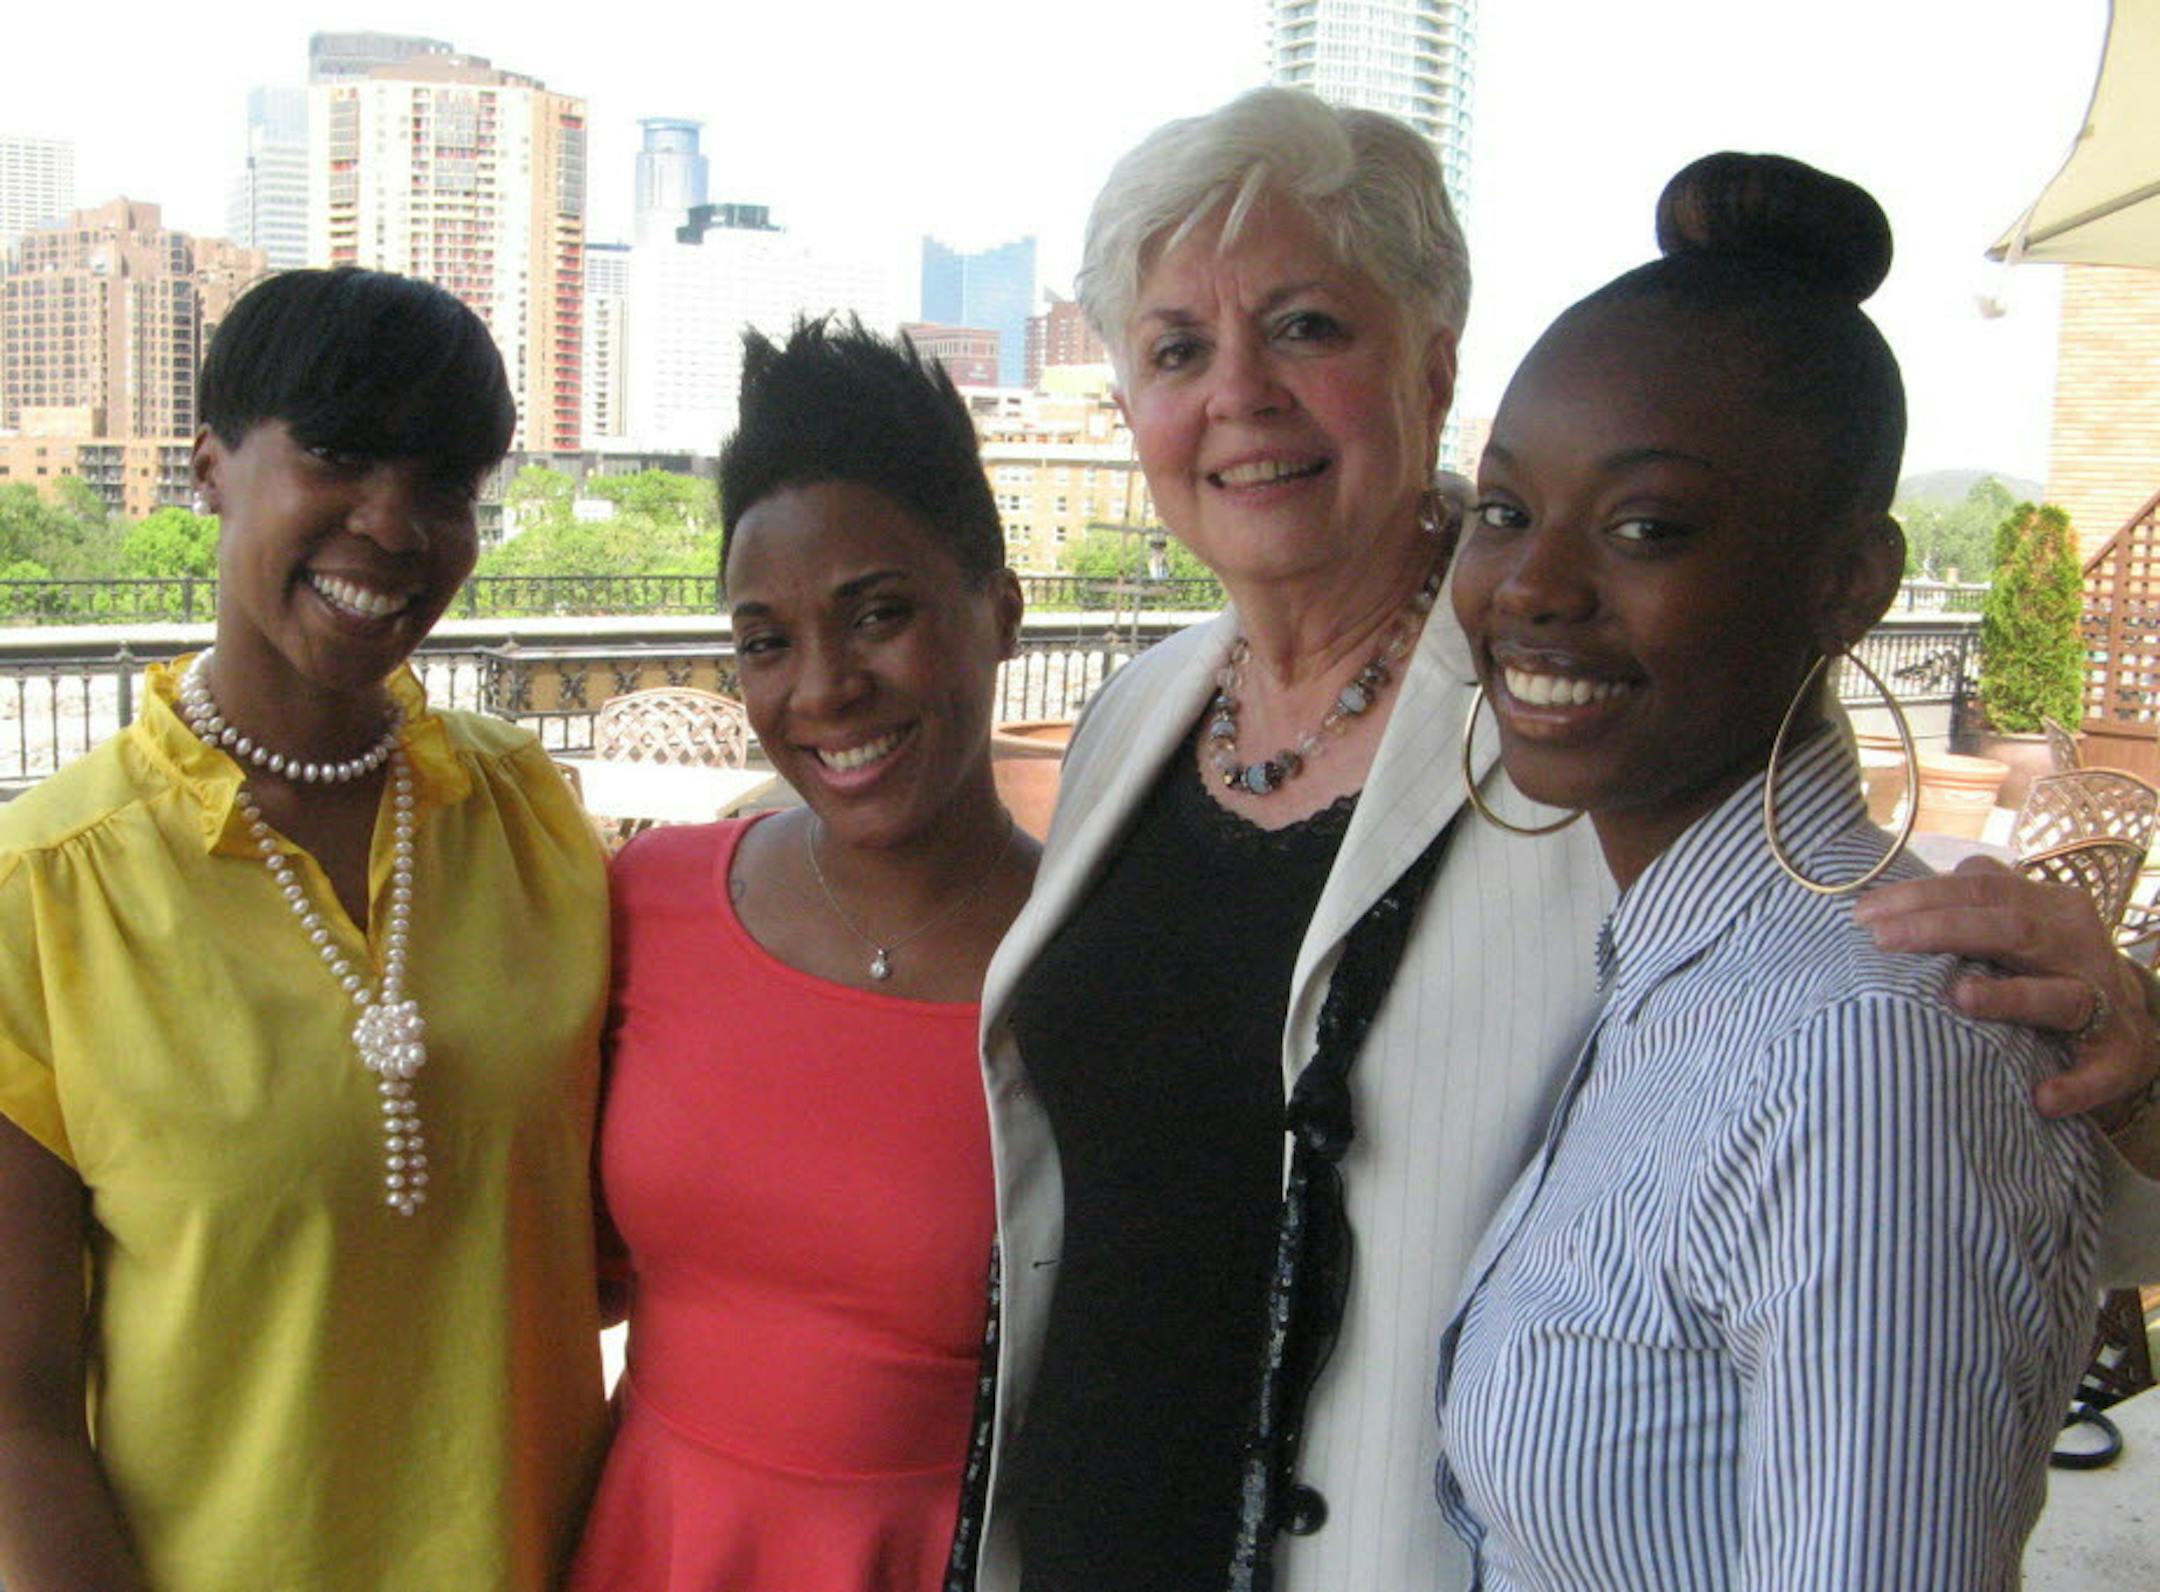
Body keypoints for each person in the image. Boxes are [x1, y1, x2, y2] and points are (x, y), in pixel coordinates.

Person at [964, 89, 2160, 1592]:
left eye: (1309, 328)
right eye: (1177, 350)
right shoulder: (1138, 716)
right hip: (1095, 1528)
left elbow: (1911, 1163)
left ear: (1438, 360)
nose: (1241, 396)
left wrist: (2133, 1061)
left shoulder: (1602, 728)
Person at [1432, 151, 2102, 1587]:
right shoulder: (1667, 977)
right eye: (1503, 511)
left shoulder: (1865, 1055)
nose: (1534, 586)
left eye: (1646, 527)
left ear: (1849, 580)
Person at [0, 267, 610, 1590]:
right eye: (337, 454)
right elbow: (17, 1416)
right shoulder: (45, 891)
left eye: (445, 483)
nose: (394, 526)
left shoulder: (530, 818)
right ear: (212, 468)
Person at [568, 318, 1037, 1592]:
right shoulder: (648, 904)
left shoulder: (1093, 971)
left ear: (999, 610)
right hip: (650, 1547)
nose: (822, 687)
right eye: (766, 639)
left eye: (878, 614)